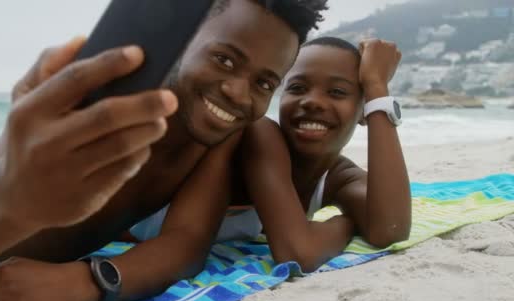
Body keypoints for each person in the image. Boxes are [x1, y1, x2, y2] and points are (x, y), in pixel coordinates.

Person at [0, 0, 328, 301]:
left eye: (264, 82)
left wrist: (84, 281)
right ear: (186, 40)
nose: (238, 91)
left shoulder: (218, 136)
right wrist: (9, 194)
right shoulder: (116, 95)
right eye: (224, 59)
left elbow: (184, 243)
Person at [128, 37, 412, 273]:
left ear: (364, 112)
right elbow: (297, 251)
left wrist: (377, 87)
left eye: (337, 92)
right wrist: (344, 223)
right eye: (297, 88)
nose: (312, 101)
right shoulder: (260, 134)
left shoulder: (339, 178)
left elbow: (391, 228)